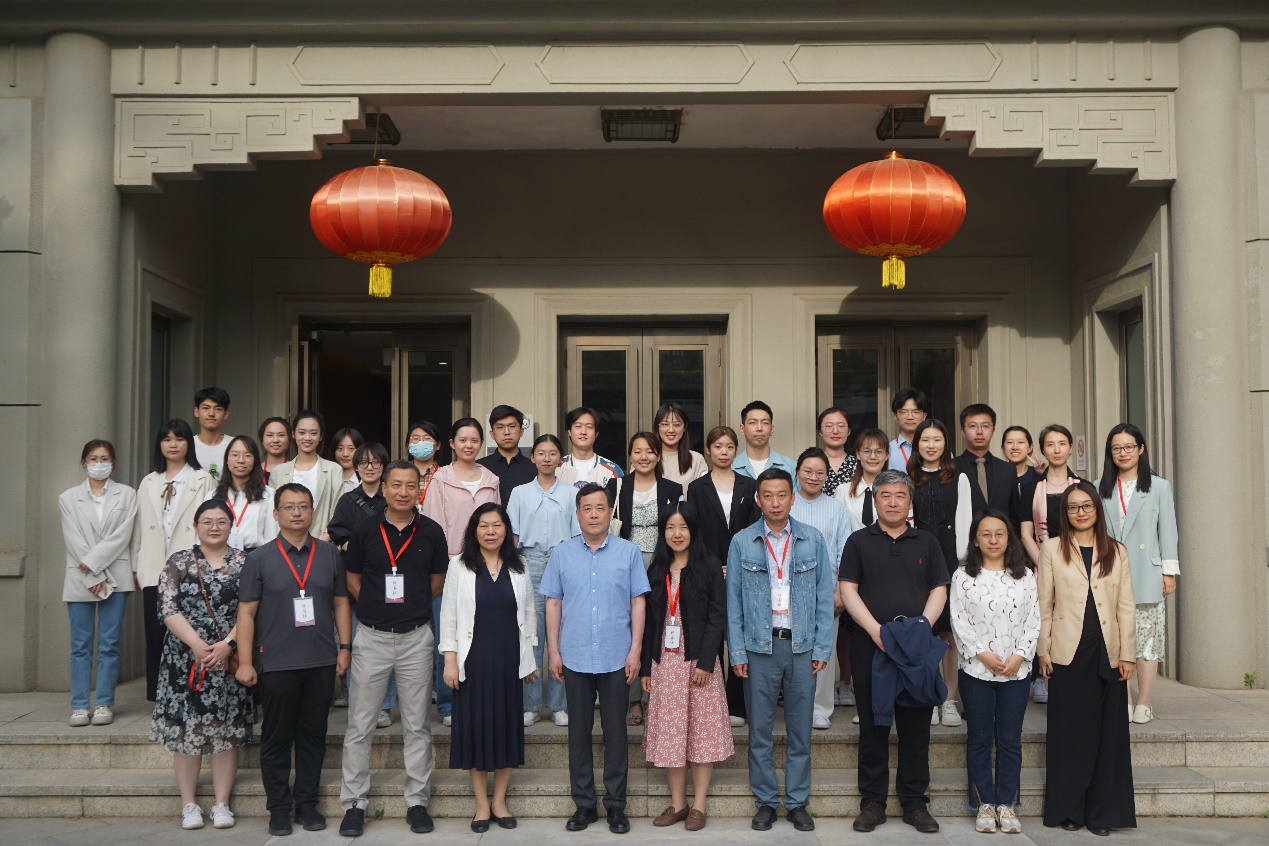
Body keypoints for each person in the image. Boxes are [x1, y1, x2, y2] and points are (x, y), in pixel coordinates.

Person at [338, 460, 450, 837]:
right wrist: (377, 607)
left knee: (417, 725)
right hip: (371, 637)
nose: (403, 492)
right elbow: (353, 579)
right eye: (396, 485)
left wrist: (409, 609)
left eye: (410, 485)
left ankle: (417, 801)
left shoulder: (431, 532)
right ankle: (355, 803)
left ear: (420, 490)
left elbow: (436, 582)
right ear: (383, 488)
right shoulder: (364, 530)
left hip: (416, 637)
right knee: (360, 724)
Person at [235, 483, 352, 837]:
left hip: (320, 660)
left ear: (313, 512)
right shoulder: (258, 558)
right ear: (276, 513)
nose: (296, 512)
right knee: (276, 737)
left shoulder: (329, 554)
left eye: (303, 506)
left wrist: (345, 647)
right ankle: (278, 808)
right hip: (276, 663)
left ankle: (307, 804)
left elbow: (341, 603)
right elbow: (246, 614)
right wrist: (245, 662)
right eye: (289, 507)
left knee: (313, 736)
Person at [839, 470, 950, 835]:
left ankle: (915, 803)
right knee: (873, 727)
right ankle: (872, 802)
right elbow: (848, 589)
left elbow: (939, 588)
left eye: (899, 495)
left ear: (909, 501)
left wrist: (920, 629)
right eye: (884, 495)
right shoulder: (858, 541)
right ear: (875, 500)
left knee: (916, 727)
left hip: (915, 648)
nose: (892, 502)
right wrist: (876, 631)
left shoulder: (927, 542)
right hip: (872, 646)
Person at [727, 468, 836, 833]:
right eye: (768, 495)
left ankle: (797, 802)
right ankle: (766, 802)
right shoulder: (742, 541)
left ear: (792, 497)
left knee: (800, 730)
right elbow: (733, 603)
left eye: (782, 495)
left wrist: (822, 646)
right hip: (760, 647)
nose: (775, 502)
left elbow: (824, 598)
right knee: (759, 730)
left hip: (802, 646)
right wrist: (737, 652)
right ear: (758, 500)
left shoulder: (812, 539)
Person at [541, 483, 649, 834]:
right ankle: (584, 805)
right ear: (577, 514)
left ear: (610, 512)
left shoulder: (629, 553)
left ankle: (616, 805)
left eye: (600, 508)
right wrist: (553, 652)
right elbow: (553, 603)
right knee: (578, 733)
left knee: (616, 733)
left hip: (617, 655)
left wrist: (635, 651)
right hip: (574, 655)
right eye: (586, 508)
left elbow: (638, 602)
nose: (593, 514)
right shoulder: (561, 554)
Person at [1037, 482, 1136, 836]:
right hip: (1067, 651)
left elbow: (1126, 606)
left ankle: (1102, 813)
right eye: (1073, 507)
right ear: (1064, 513)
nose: (1080, 513)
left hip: (1108, 650)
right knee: (1070, 732)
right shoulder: (1052, 549)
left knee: (1108, 734)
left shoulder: (1117, 551)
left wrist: (1128, 654)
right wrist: (1043, 649)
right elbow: (1044, 602)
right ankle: (1069, 808)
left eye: (1087, 506)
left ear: (1097, 509)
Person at [149, 499, 253, 831]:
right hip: (185, 659)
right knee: (187, 731)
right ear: (195, 526)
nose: (214, 527)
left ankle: (222, 804)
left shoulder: (244, 562)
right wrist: (197, 645)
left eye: (221, 521)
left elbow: (252, 609)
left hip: (228, 658)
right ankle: (189, 805)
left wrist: (228, 645)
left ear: (231, 525)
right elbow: (168, 608)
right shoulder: (178, 562)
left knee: (225, 731)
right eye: (207, 521)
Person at [440, 503, 538, 833]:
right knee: (476, 729)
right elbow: (448, 615)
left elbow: (529, 614)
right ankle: (482, 804)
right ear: (474, 530)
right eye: (484, 525)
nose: (491, 531)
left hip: (509, 660)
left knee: (506, 728)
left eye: (497, 525)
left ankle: (499, 802)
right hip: (473, 660)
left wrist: (529, 658)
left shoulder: (519, 565)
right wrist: (450, 660)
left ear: (506, 530)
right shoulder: (459, 565)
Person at [641, 502, 733, 832]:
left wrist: (707, 662)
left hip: (698, 663)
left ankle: (699, 805)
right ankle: (678, 803)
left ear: (693, 530)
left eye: (683, 527)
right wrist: (646, 667)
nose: (676, 534)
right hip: (665, 664)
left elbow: (717, 616)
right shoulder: (657, 569)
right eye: (670, 528)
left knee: (700, 733)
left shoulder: (709, 566)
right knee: (672, 734)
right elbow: (650, 622)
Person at [949, 511, 1039, 835]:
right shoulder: (963, 576)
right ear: (975, 540)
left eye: (1000, 533)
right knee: (980, 739)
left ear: (1009, 538)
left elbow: (1034, 619)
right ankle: (984, 803)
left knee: (1010, 740)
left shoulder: (1025, 576)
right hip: (976, 670)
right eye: (985, 534)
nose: (993, 540)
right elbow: (958, 620)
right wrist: (983, 655)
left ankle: (1007, 804)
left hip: (1016, 671)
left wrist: (1019, 656)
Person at [1097, 424, 1179, 725]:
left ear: (1141, 449)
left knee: (1146, 640)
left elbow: (1167, 530)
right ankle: (1125, 699)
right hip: (1109, 571)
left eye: (1129, 447)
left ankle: (1144, 700)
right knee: (1115, 639)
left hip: (1146, 571)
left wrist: (1169, 572)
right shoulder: (1099, 486)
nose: (1123, 453)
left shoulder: (1158, 487)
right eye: (1117, 448)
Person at [422, 417, 500, 726]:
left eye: (474, 440)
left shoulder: (491, 479)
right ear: (452, 444)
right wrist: (444, 566)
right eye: (463, 440)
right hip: (451, 568)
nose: (469, 445)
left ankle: (480, 699)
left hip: (486, 567)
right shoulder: (440, 479)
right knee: (449, 638)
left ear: (482, 443)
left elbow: (498, 524)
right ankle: (448, 704)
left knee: (483, 636)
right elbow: (433, 527)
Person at [59, 439, 138, 727]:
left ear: (113, 463)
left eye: (104, 458)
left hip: (116, 576)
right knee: (80, 645)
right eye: (93, 459)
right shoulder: (68, 498)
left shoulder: (127, 495)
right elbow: (73, 539)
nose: (99, 464)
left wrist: (97, 569)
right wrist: (94, 574)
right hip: (80, 576)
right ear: (84, 462)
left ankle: (104, 702)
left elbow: (122, 536)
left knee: (109, 644)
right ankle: (79, 705)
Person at [607, 431, 684, 725]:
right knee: (630, 627)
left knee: (661, 624)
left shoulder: (672, 488)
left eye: (650, 451)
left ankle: (660, 695)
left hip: (664, 562)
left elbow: (680, 526)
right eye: (637, 451)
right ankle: (634, 699)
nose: (643, 457)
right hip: (625, 563)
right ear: (630, 455)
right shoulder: (616, 486)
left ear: (658, 455)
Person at [134, 419, 214, 701]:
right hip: (153, 565)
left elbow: (210, 523)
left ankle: (190, 689)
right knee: (155, 632)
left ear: (188, 443)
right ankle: (159, 694)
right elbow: (139, 527)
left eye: (179, 439)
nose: (173, 444)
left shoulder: (202, 479)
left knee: (191, 630)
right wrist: (136, 565)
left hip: (190, 568)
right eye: (167, 439)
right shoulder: (148, 481)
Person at [687, 425, 760, 727]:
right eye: (718, 446)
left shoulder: (749, 485)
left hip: (744, 570)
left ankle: (738, 705)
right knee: (712, 636)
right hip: (708, 571)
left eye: (729, 447)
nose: (724, 452)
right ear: (708, 450)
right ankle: (711, 703)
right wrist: (712, 565)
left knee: (740, 636)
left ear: (736, 450)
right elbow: (694, 531)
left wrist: (737, 563)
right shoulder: (697, 487)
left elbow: (755, 528)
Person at [507, 434, 579, 727]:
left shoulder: (572, 493)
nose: (547, 458)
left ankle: (559, 704)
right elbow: (513, 535)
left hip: (563, 559)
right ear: (533, 457)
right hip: (530, 560)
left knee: (562, 635)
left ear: (560, 459)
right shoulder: (519, 493)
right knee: (532, 633)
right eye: (541, 453)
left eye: (552, 453)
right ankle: (532, 705)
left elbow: (576, 534)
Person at [908, 419, 971, 727]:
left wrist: (963, 565)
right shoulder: (908, 477)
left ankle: (948, 699)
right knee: (923, 631)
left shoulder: (959, 477)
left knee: (948, 633)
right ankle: (928, 697)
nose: (931, 445)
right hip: (915, 561)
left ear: (946, 443)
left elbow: (965, 521)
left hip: (950, 560)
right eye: (925, 440)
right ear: (916, 444)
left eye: (937, 440)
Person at [324, 441, 395, 717]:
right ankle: (359, 704)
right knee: (356, 643)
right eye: (364, 463)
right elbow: (337, 531)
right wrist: (355, 547)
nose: (370, 467)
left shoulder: (392, 498)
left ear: (384, 467)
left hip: (388, 579)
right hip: (354, 578)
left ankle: (384, 706)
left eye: (376, 462)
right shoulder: (347, 500)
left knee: (388, 645)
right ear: (356, 467)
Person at [790, 448, 854, 730]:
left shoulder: (836, 508)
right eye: (807, 471)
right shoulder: (787, 504)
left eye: (820, 472)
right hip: (789, 589)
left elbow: (844, 551)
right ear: (797, 472)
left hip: (825, 588)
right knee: (792, 650)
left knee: (822, 648)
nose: (813, 477)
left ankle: (820, 708)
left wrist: (840, 590)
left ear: (827, 476)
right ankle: (796, 705)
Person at [832, 427, 891, 713]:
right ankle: (846, 681)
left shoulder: (894, 487)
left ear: (887, 455)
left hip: (886, 565)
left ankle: (882, 691)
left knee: (880, 626)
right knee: (849, 628)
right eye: (866, 451)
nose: (873, 456)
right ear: (857, 454)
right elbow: (838, 531)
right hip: (853, 565)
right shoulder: (844, 490)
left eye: (879, 451)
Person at [268, 410, 343, 539]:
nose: (307, 438)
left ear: (321, 436)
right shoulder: (278, 472)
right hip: (285, 544)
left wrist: (323, 542)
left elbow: (338, 511)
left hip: (322, 542)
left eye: (313, 433)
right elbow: (273, 513)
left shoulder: (334, 470)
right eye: (302, 433)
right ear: (293, 434)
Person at [1019, 424, 1084, 566]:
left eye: (1062, 444)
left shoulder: (1084, 487)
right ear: (1043, 449)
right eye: (1050, 444)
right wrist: (1045, 566)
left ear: (1070, 448)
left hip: (1080, 563)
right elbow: (1026, 534)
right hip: (1043, 563)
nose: (1057, 450)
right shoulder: (1031, 489)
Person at [213, 436, 278, 552]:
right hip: (220, 556)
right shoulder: (213, 495)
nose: (240, 460)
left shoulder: (267, 495)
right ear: (226, 459)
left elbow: (272, 536)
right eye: (235, 455)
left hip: (256, 556)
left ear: (255, 461)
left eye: (247, 455)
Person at [955, 404, 1015, 517]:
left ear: (993, 430)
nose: (979, 431)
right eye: (973, 426)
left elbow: (1014, 515)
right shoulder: (951, 468)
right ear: (962, 431)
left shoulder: (1008, 470)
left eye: (985, 426)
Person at [479, 404, 537, 504]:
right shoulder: (480, 467)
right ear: (492, 434)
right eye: (500, 427)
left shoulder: (534, 468)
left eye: (512, 426)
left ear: (521, 431)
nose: (506, 432)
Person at [557, 406, 623, 489]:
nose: (583, 432)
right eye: (578, 426)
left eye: (589, 427)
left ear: (596, 433)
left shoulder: (612, 471)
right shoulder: (557, 467)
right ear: (569, 432)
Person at [730, 400, 795, 479]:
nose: (759, 428)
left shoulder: (790, 467)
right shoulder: (731, 467)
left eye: (765, 423)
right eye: (753, 422)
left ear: (772, 429)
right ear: (742, 429)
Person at [654, 401, 708, 490]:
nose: (671, 430)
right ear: (657, 427)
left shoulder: (696, 460)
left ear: (685, 427)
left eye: (677, 425)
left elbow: (704, 494)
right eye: (665, 424)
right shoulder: (646, 458)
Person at [1001, 425, 1043, 528]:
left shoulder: (1038, 475)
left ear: (1030, 448)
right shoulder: (997, 476)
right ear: (1003, 448)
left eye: (1020, 442)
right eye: (1010, 442)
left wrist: (1045, 474)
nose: (1015, 447)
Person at [192, 387, 234, 482]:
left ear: (226, 414)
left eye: (218, 409)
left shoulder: (235, 445)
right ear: (196, 412)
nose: (211, 413)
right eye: (206, 408)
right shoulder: (187, 445)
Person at [816, 406, 859, 497]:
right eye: (829, 426)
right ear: (820, 431)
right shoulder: (812, 463)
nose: (835, 431)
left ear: (849, 431)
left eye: (841, 426)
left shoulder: (859, 464)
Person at [888, 388, 930, 472]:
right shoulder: (888, 451)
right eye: (904, 412)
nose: (910, 417)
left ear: (924, 416)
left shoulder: (937, 449)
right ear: (895, 416)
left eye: (916, 412)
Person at [407, 419, 443, 507]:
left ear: (438, 445)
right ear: (408, 445)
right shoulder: (401, 473)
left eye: (427, 439)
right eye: (416, 439)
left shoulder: (445, 475)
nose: (421, 443)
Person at [330, 427, 365, 497]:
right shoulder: (328, 479)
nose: (345, 454)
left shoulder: (366, 480)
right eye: (340, 448)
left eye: (351, 449)